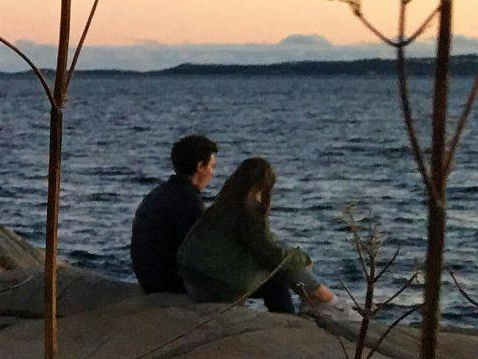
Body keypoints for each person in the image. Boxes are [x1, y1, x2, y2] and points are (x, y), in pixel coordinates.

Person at [176, 155, 334, 314]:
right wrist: (302, 258)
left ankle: (309, 300)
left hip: (192, 281)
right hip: (216, 288)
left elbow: (265, 242)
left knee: (280, 262)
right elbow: (272, 255)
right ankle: (322, 297)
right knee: (281, 268)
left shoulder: (219, 207)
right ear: (262, 186)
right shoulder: (249, 210)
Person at [129, 133, 217, 294]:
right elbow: (203, 253)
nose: (212, 172)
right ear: (199, 167)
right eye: (211, 166)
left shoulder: (158, 193)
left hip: (148, 279)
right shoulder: (189, 202)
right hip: (169, 284)